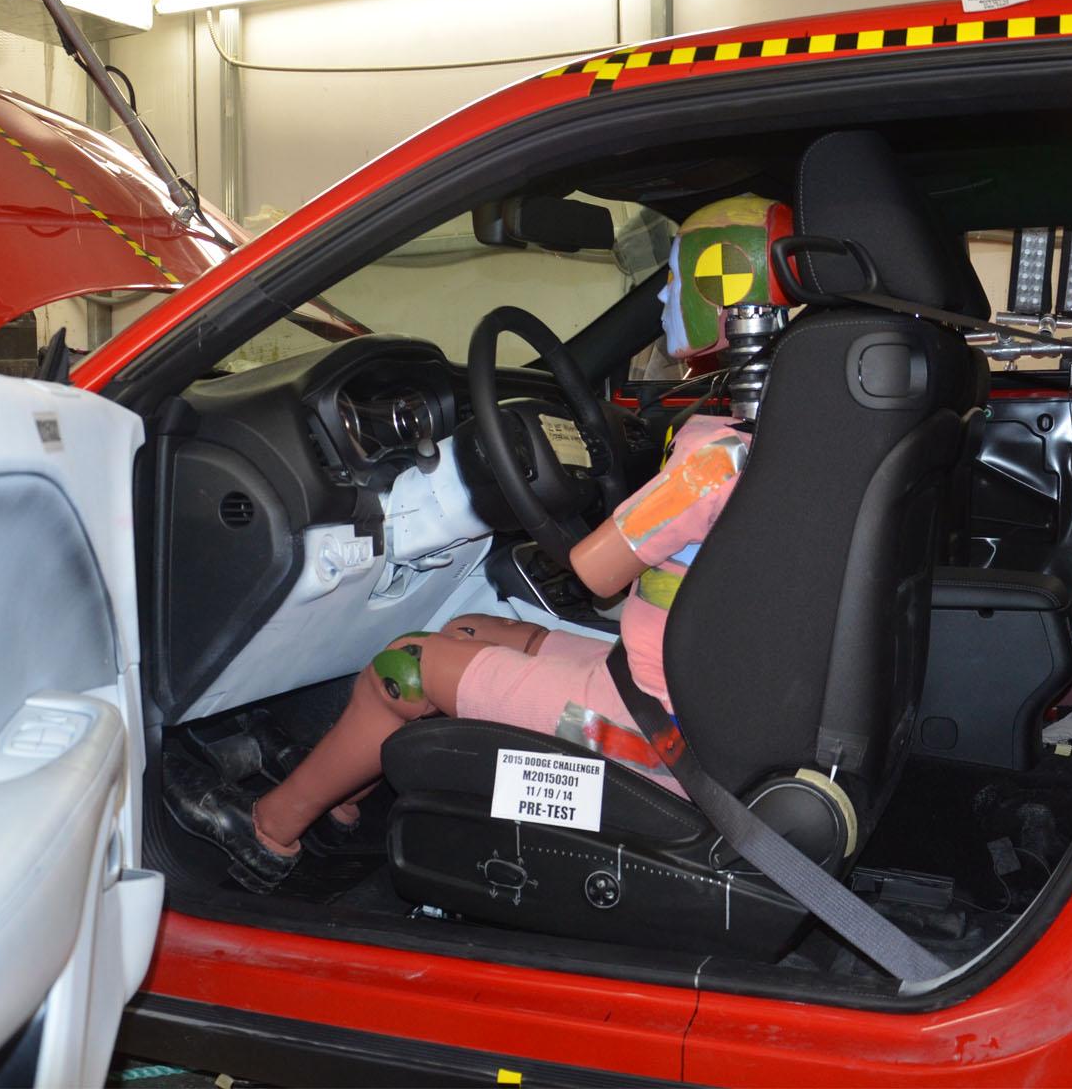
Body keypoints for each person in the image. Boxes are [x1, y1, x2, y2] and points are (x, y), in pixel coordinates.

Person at [171, 194, 795, 888]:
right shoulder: (793, 439)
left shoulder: (714, 459)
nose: (664, 299)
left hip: (650, 736)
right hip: (690, 701)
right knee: (468, 630)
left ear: (720, 294)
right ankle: (340, 804)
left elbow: (596, 573)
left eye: (675, 280)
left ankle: (270, 833)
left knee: (402, 668)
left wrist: (556, 509)